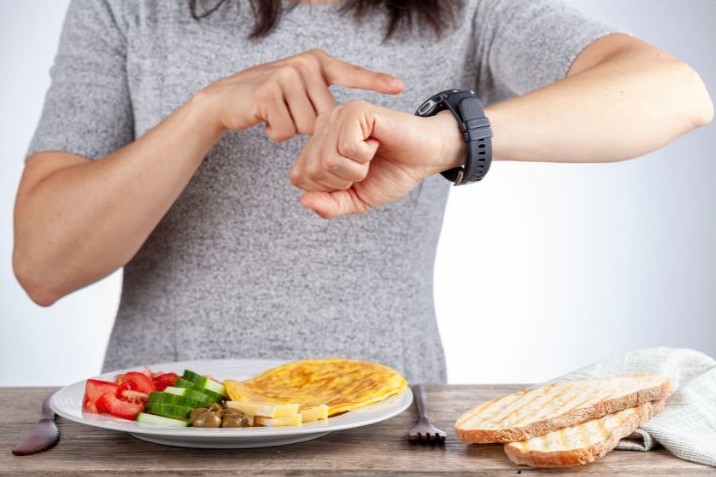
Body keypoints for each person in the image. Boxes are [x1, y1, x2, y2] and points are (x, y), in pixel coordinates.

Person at [13, 0, 713, 383]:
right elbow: (43, 264)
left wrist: (447, 136)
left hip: (383, 435)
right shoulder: (127, 9)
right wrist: (205, 113)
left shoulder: (468, 9)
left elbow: (673, 93)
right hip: (160, 429)